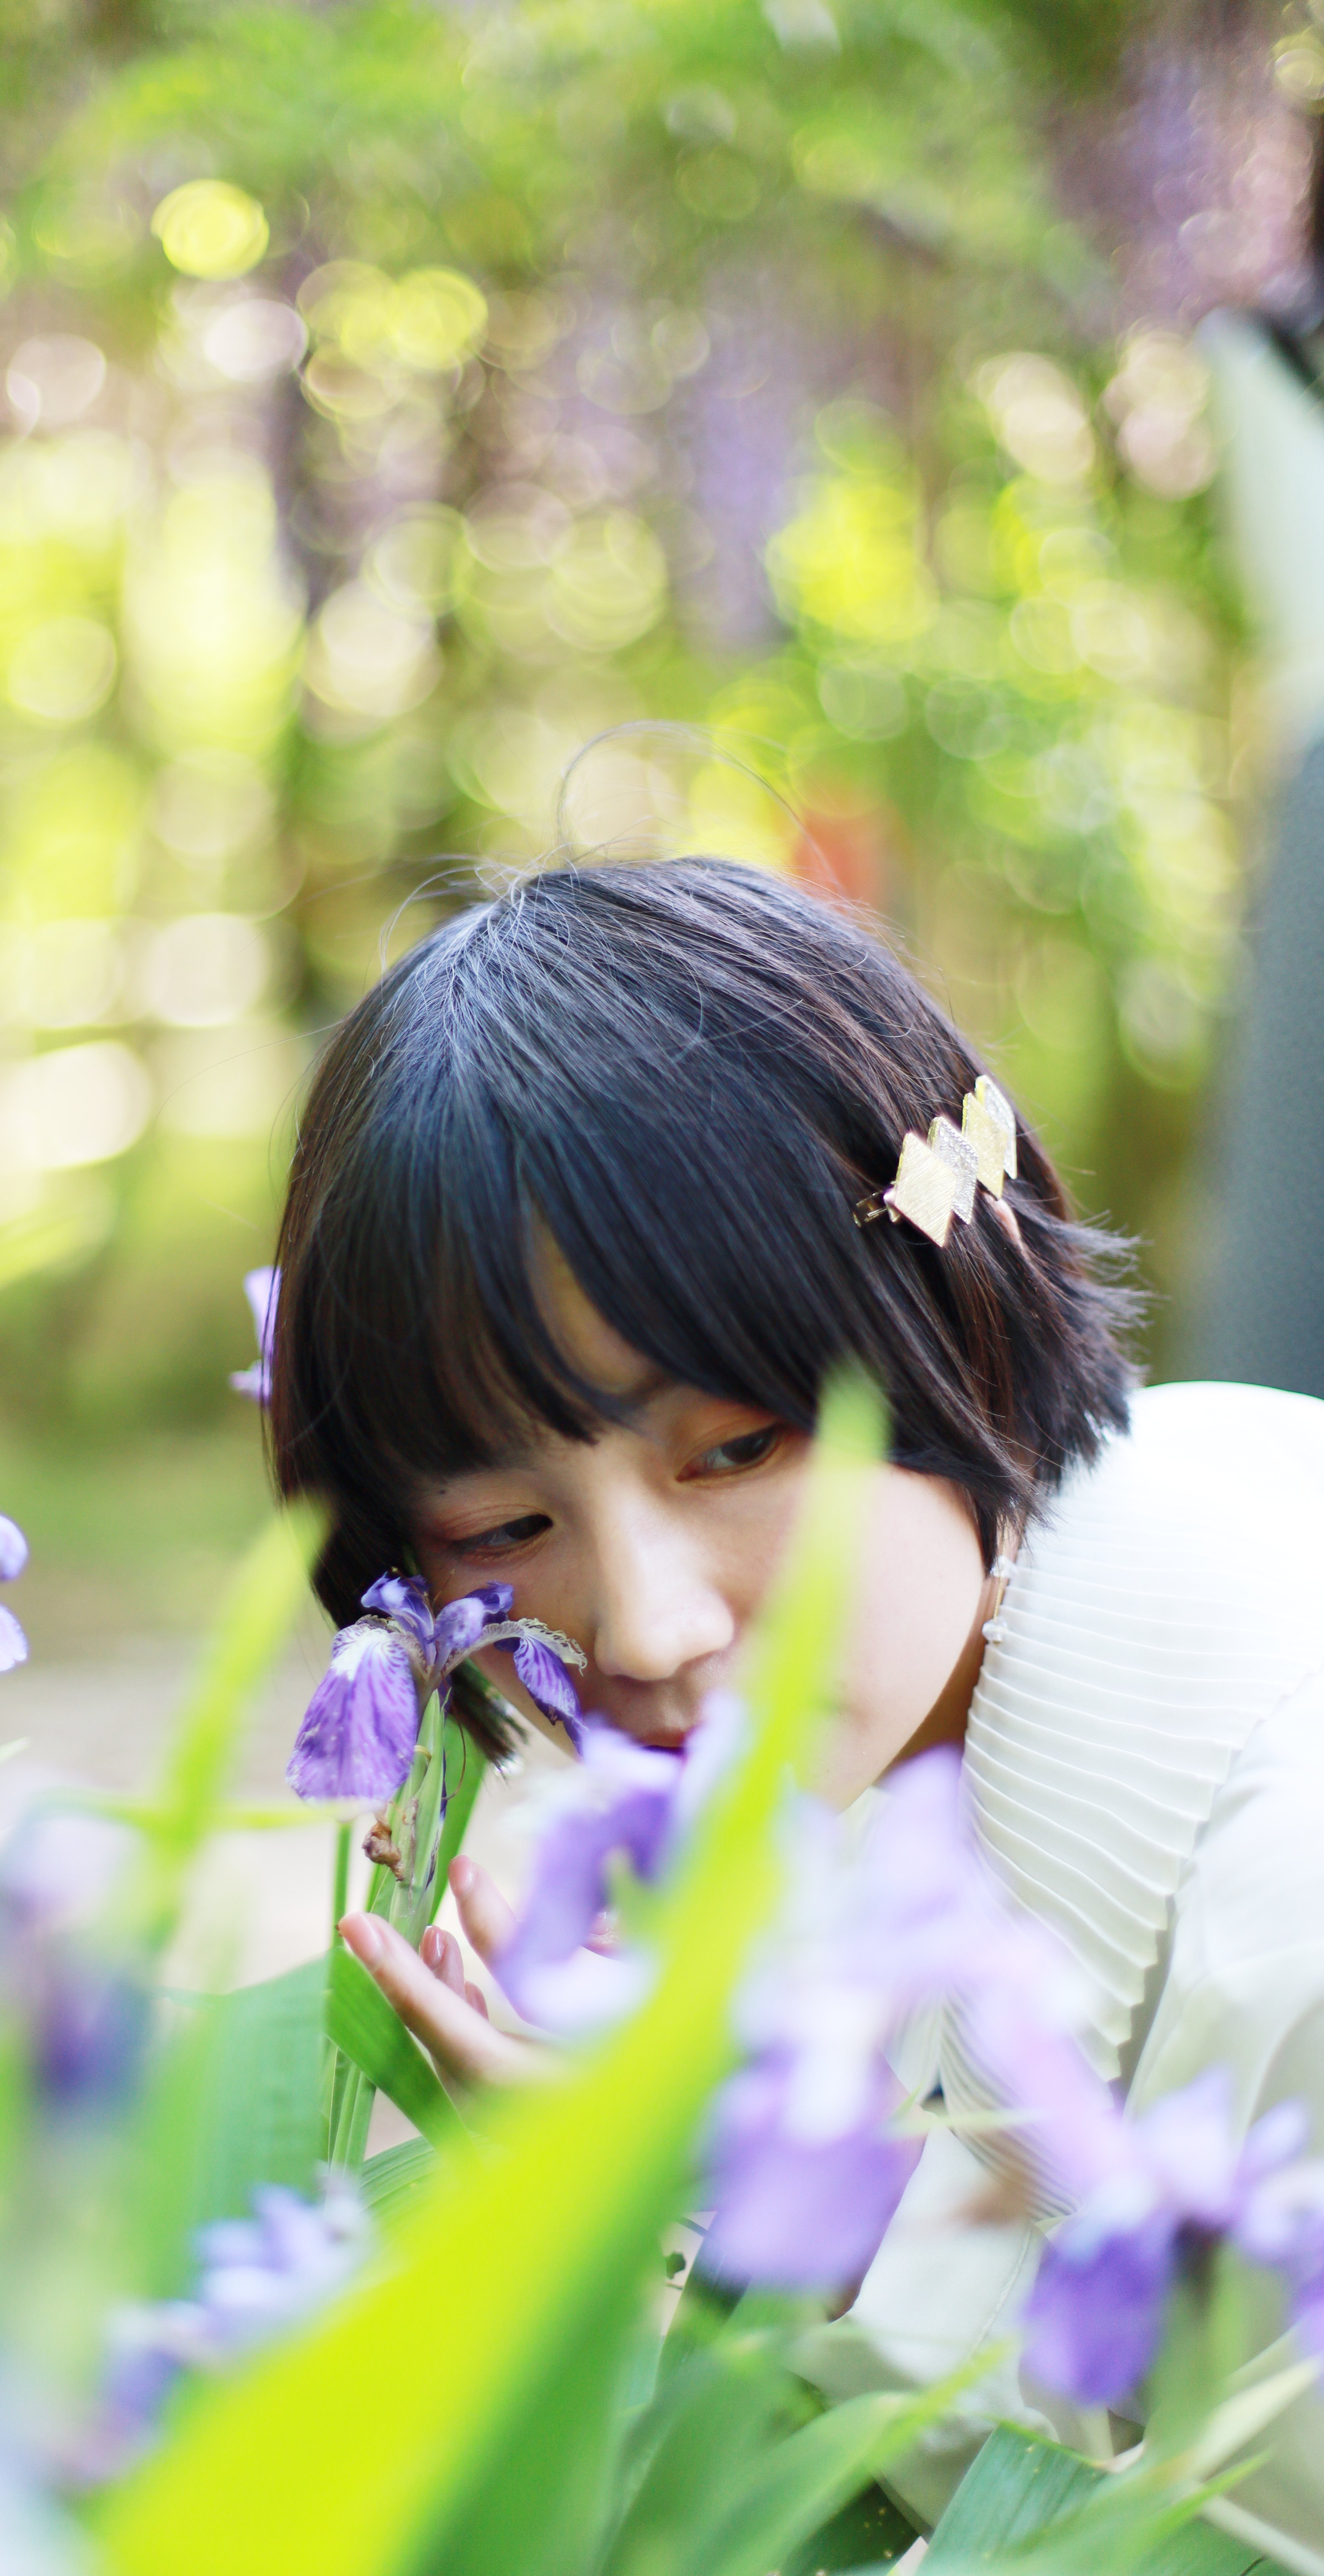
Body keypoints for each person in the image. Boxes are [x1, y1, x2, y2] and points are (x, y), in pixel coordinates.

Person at [266, 856, 1324, 2561]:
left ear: (954, 1306)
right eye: (501, 1527)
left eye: (737, 1449)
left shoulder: (1291, 1878)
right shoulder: (892, 1757)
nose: (652, 1627)